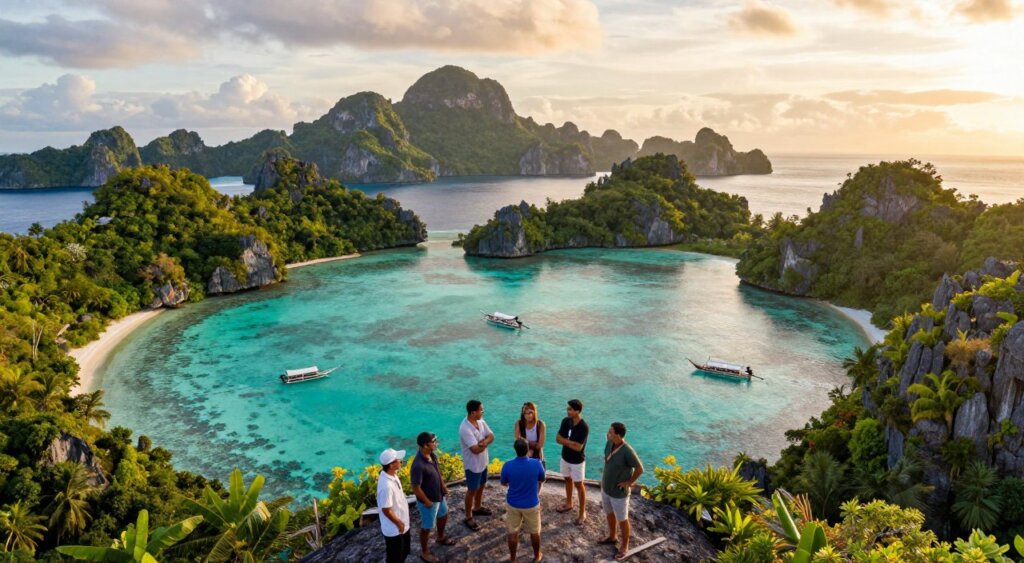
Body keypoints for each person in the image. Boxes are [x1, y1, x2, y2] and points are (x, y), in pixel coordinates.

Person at [598, 422, 644, 561]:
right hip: (606, 488)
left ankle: (624, 546)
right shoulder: (609, 443)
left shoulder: (627, 451)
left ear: (618, 435)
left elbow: (640, 468)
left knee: (623, 520)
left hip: (619, 494)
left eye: (611, 432)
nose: (608, 433)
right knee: (609, 513)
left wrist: (629, 483)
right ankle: (612, 536)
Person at [410, 432, 455, 563]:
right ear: (425, 445)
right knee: (427, 527)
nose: (436, 443)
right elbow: (415, 487)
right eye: (433, 441)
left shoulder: (431, 455)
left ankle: (440, 537)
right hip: (428, 501)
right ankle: (424, 552)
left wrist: (443, 487)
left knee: (444, 514)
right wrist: (427, 502)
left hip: (439, 496)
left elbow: (437, 472)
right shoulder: (418, 465)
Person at [500, 438, 546, 563]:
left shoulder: (508, 465)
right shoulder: (536, 463)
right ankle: (537, 556)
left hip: (513, 503)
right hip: (531, 504)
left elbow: (504, 482)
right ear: (528, 450)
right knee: (535, 532)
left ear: (515, 450)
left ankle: (513, 559)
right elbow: (542, 479)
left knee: (512, 533)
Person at [459, 399, 494, 531]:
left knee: (482, 485)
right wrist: (484, 443)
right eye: (481, 410)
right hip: (472, 465)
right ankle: (468, 516)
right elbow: (474, 450)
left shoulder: (480, 421)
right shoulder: (465, 428)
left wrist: (482, 443)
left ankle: (477, 507)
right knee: (472, 490)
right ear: (473, 412)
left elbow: (491, 436)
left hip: (483, 462)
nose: (483, 411)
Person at [555, 398, 589, 524]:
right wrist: (569, 442)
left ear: (577, 411)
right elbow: (557, 438)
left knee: (579, 485)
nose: (567, 411)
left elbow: (578, 447)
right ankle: (569, 503)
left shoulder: (584, 427)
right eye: (568, 408)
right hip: (565, 457)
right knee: (567, 479)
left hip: (577, 461)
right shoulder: (566, 421)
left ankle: (582, 513)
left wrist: (565, 441)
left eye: (570, 409)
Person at [377, 447, 411, 563]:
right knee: (395, 558)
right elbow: (386, 509)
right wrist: (399, 523)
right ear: (391, 465)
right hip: (395, 529)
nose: (400, 461)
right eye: (398, 460)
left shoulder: (393, 475)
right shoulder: (386, 486)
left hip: (402, 525)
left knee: (405, 552)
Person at [513, 401, 546, 467]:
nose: (528, 415)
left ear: (534, 412)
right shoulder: (518, 424)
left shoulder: (540, 424)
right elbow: (517, 442)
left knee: (540, 475)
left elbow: (540, 445)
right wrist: (529, 448)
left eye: (530, 412)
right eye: (525, 413)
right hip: (523, 454)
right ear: (523, 414)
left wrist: (526, 444)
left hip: (538, 455)